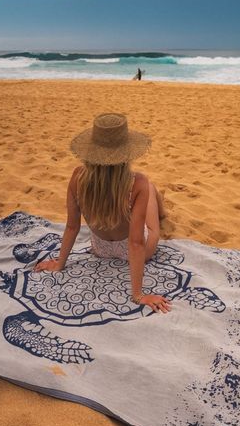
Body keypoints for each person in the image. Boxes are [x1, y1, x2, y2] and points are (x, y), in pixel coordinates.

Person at [33, 113, 171, 314]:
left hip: (100, 248)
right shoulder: (137, 182)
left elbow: (72, 226)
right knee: (149, 192)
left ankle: (160, 205)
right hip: (133, 252)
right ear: (126, 152)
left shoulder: (77, 178)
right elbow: (136, 242)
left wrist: (59, 264)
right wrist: (138, 295)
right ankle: (163, 211)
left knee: (146, 189)